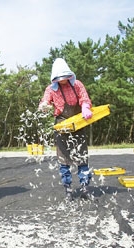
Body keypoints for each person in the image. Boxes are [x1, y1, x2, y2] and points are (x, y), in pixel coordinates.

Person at [39, 58, 93, 201]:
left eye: (64, 77)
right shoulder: (50, 89)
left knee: (82, 157)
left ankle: (85, 188)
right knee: (64, 160)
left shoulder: (77, 84)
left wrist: (86, 107)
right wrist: (44, 106)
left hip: (78, 124)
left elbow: (84, 98)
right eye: (59, 78)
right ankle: (68, 189)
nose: (62, 80)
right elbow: (45, 102)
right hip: (61, 126)